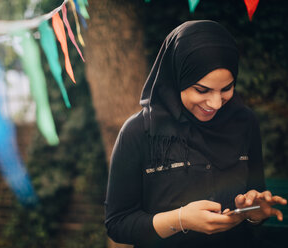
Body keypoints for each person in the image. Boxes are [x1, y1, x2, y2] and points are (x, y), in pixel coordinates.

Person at [105, 20, 287, 248]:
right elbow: (118, 224)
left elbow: (255, 199)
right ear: (177, 78)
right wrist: (181, 219)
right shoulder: (139, 132)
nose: (216, 103)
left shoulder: (244, 122)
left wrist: (253, 211)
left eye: (227, 89)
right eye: (202, 90)